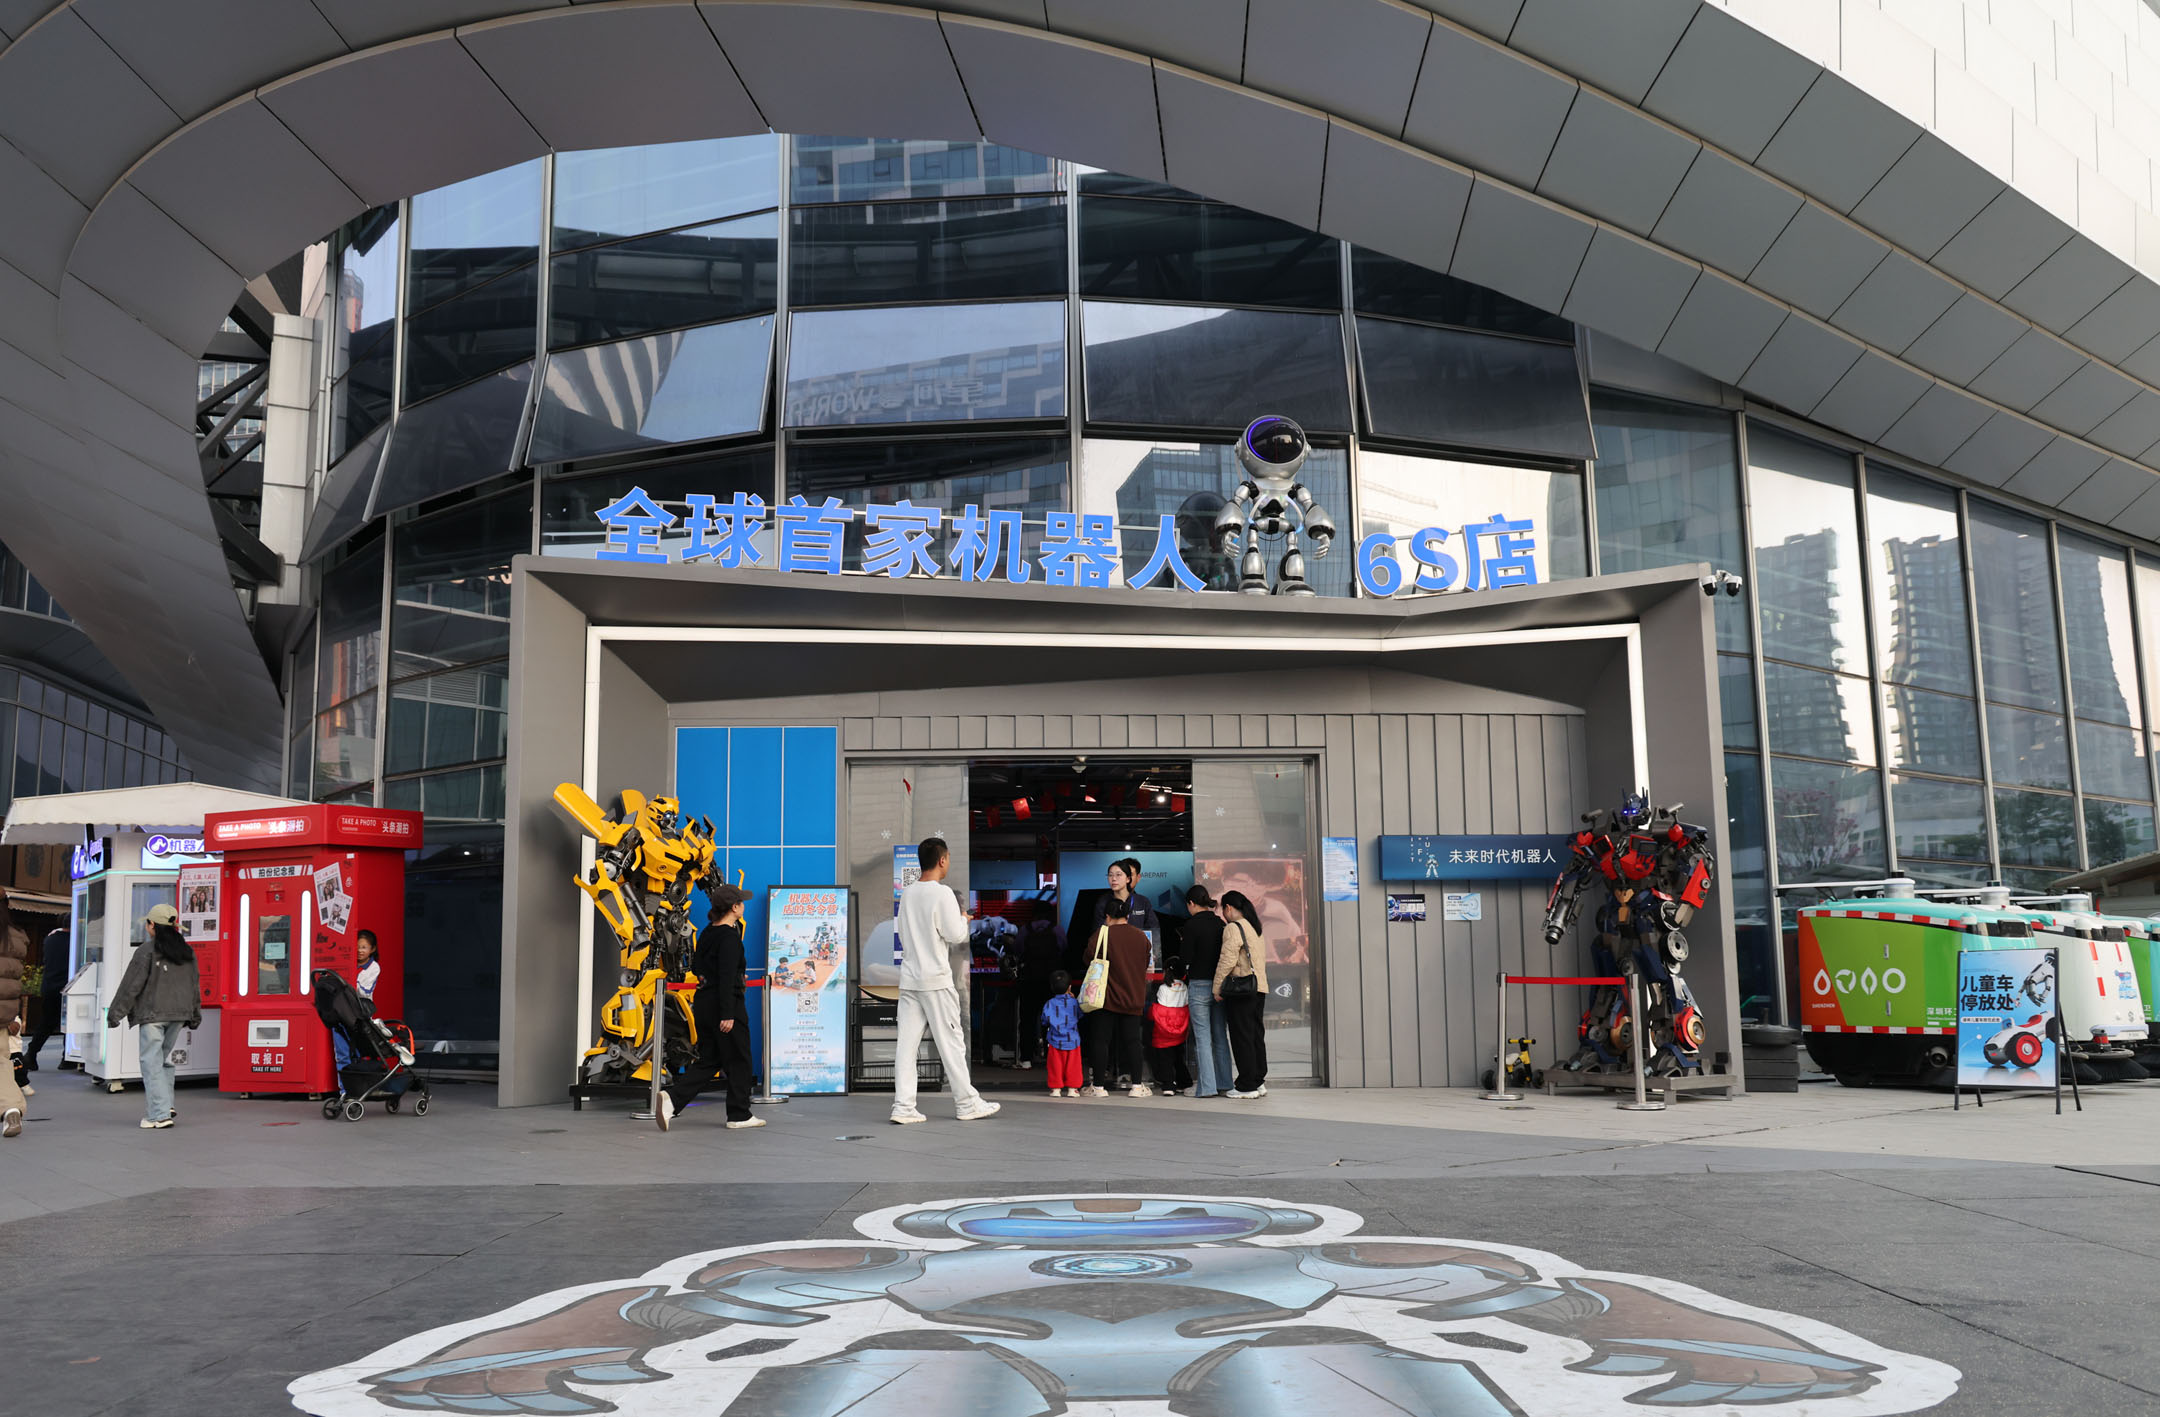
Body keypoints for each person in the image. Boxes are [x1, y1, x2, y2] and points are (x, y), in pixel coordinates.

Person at [892, 837, 999, 1125]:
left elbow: (904, 933)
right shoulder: (942, 894)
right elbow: (955, 934)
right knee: (952, 1043)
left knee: (906, 1047)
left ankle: (903, 1106)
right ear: (942, 860)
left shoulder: (908, 894)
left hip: (910, 979)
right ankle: (966, 1103)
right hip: (936, 981)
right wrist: (964, 919)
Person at [657, 884, 762, 1132]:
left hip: (704, 1003)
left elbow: (697, 968)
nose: (743, 906)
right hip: (725, 1005)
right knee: (740, 1060)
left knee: (710, 1060)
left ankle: (672, 1101)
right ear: (734, 907)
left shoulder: (707, 933)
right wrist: (728, 1013)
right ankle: (739, 1114)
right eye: (741, 902)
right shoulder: (730, 938)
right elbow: (725, 977)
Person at [106, 902, 200, 1129]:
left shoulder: (146, 951)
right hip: (179, 1014)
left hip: (153, 1014)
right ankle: (165, 1104)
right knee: (161, 1059)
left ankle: (158, 1114)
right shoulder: (187, 952)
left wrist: (115, 1014)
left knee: (151, 1062)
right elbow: (194, 985)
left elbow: (131, 986)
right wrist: (195, 1014)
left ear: (151, 925)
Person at [1084, 897, 1152, 1098]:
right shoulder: (1141, 937)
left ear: (1107, 916)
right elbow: (1146, 962)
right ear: (1127, 916)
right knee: (1133, 1041)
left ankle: (1098, 1087)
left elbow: (1087, 959)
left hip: (1105, 998)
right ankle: (1137, 1086)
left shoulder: (1102, 934)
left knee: (1101, 1041)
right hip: (1133, 997)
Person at [1214, 890, 1270, 1100]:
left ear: (1228, 908)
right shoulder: (1255, 927)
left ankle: (1246, 1086)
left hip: (1241, 990)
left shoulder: (1233, 927)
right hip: (1258, 988)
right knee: (1255, 1036)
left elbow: (1227, 960)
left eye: (1223, 910)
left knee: (1241, 1037)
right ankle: (1258, 1080)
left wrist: (1217, 987)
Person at [1180, 885, 1233, 1098]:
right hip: (1219, 986)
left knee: (1202, 1037)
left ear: (1191, 903)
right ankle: (1225, 1083)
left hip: (1199, 985)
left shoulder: (1191, 925)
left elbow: (1185, 958)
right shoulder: (1220, 924)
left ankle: (1207, 1087)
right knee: (1220, 1036)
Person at [1013, 903, 1063, 1070]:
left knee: (1027, 1020)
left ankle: (1026, 1058)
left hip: (1029, 980)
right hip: (1051, 982)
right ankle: (1051, 1057)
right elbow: (1063, 948)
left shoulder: (1025, 930)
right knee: (1052, 1020)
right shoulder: (1056, 929)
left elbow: (1018, 949)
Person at [333, 929, 382, 1074]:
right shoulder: (347, 962)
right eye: (357, 947)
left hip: (360, 1015)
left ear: (372, 949)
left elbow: (364, 991)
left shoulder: (374, 967)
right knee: (342, 1053)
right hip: (342, 1012)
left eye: (364, 947)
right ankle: (344, 1086)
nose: (360, 950)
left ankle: (360, 1083)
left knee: (359, 1052)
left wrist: (347, 981)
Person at [1148, 956, 1193, 1096]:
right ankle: (1184, 1082)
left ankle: (1168, 1085)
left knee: (1165, 1058)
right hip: (1180, 1028)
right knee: (1178, 1057)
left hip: (1163, 1030)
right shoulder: (1185, 987)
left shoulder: (1163, 988)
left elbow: (1161, 1008)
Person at [24, 925, 66, 1070]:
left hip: (49, 986)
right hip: (66, 986)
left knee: (46, 1022)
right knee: (70, 1024)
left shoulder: (50, 939)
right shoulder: (74, 940)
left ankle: (31, 1053)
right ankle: (67, 1058)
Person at [0, 893, 24, 1137]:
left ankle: (10, 1108)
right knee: (1, 1062)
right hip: (4, 1014)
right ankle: (11, 1109)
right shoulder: (16, 938)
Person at [1039, 970, 1082, 1097]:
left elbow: (1044, 1020)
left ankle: (1056, 1089)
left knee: (1055, 1066)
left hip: (1055, 1040)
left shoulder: (1049, 1003)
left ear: (1052, 987)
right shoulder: (1074, 1002)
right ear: (1070, 987)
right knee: (1073, 1066)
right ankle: (1073, 1089)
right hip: (1073, 1040)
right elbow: (1080, 1015)